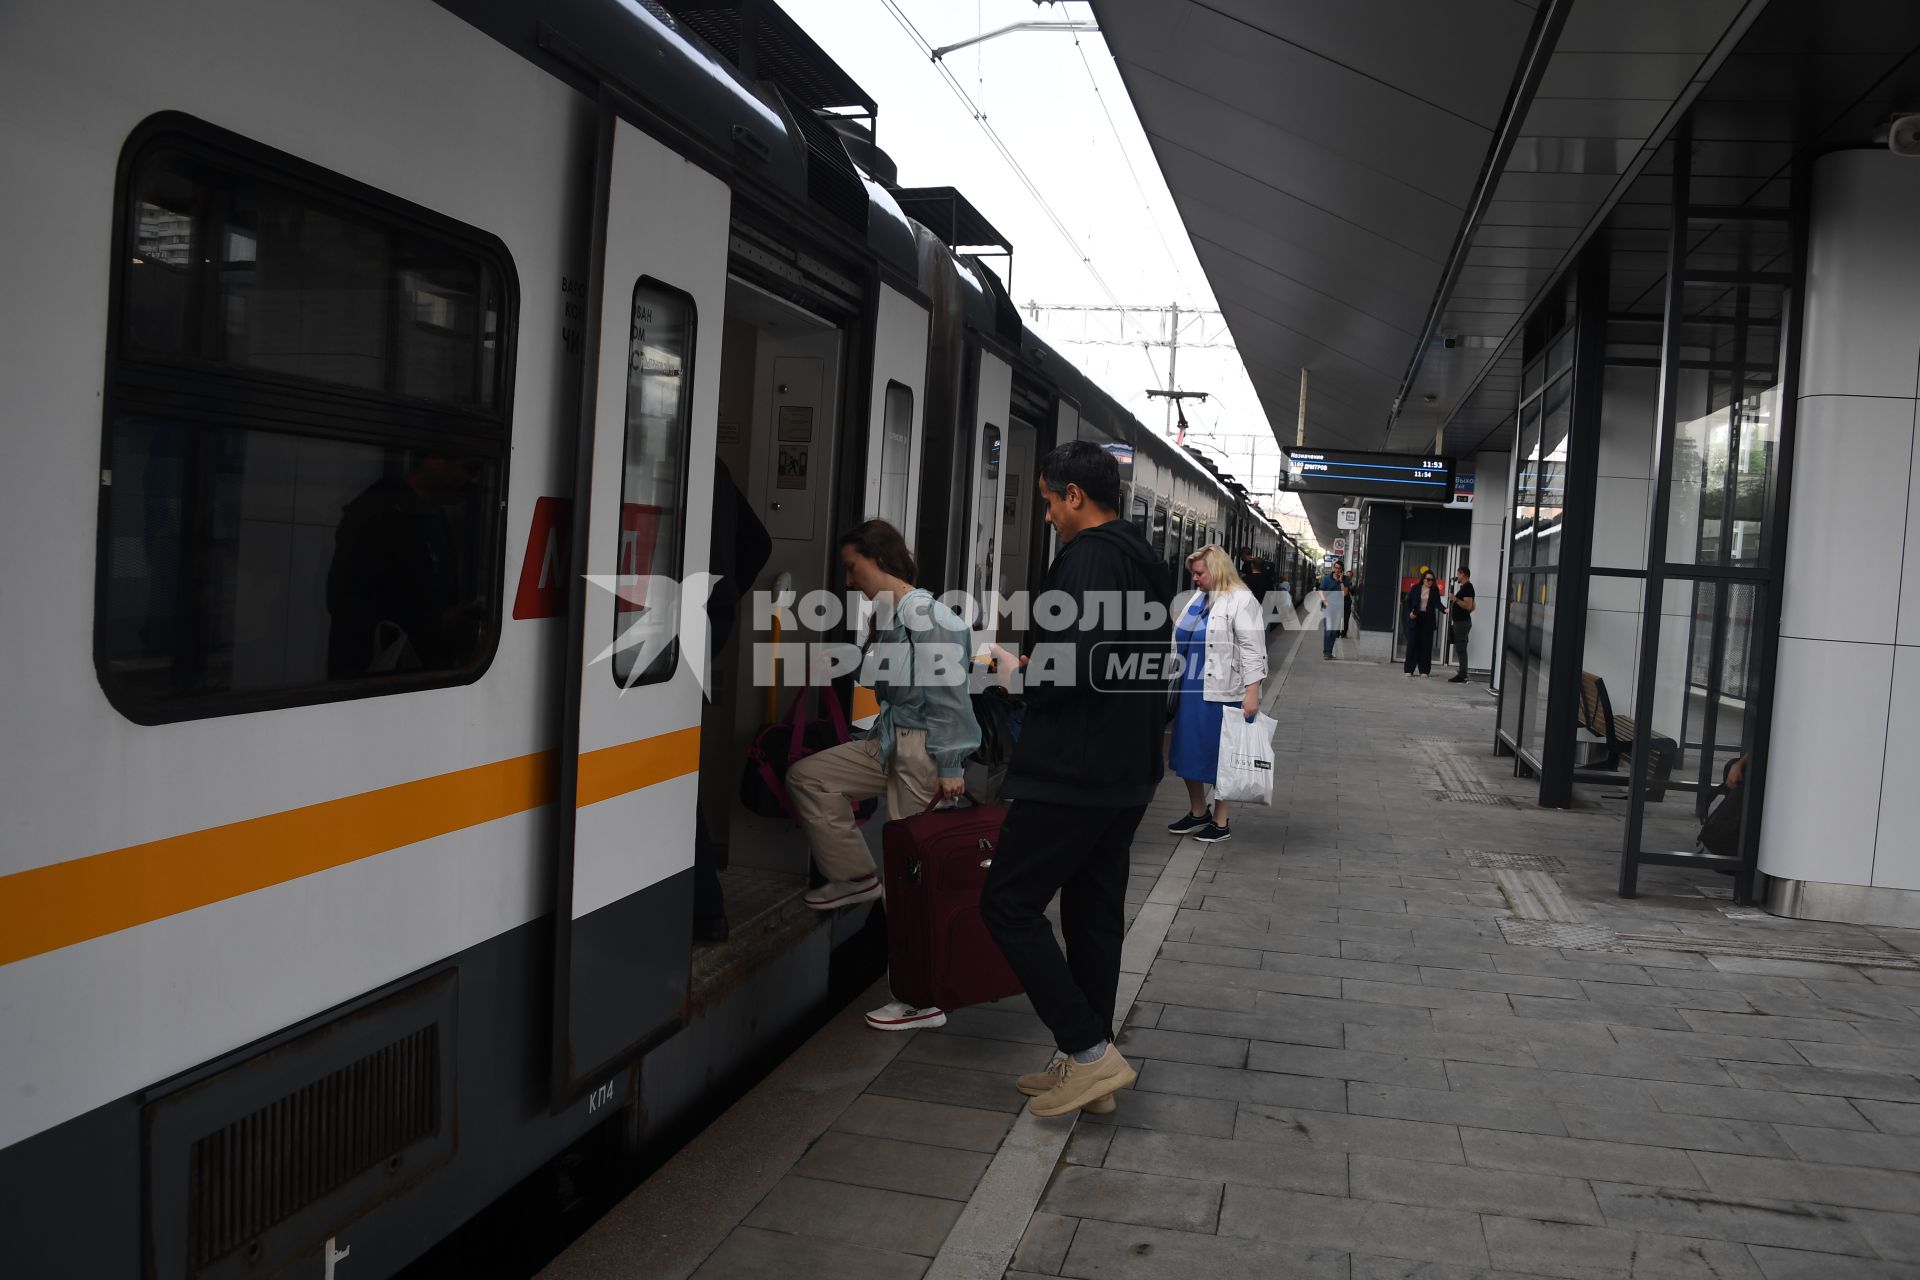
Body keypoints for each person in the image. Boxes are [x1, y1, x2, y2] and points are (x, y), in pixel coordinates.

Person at [982, 440, 1171, 1118]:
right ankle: (1085, 1070)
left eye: (1046, 502)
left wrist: (1016, 674)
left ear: (1074, 497)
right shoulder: (1140, 558)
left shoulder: (1090, 557)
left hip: (1075, 771)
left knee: (1005, 903)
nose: (1047, 517)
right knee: (1093, 918)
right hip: (1124, 770)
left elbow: (1080, 665)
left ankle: (1090, 1052)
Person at [788, 520, 979, 924]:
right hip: (890, 739)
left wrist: (950, 765)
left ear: (877, 559)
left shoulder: (928, 615)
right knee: (809, 777)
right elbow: (892, 678)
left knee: (911, 878)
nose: (849, 580)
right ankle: (854, 876)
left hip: (922, 751)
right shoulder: (892, 615)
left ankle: (922, 978)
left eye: (852, 567)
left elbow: (949, 695)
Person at [692, 461, 774, 944]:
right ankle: (705, 906)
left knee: (665, 769)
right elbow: (758, 542)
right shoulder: (713, 464)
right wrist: (721, 600)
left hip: (673, 622)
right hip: (705, 621)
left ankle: (705, 906)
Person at [1167, 545, 1268, 843]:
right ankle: (1198, 812)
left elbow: (1253, 651)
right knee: (1188, 752)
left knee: (1222, 757)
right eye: (1193, 573)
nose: (1195, 579)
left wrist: (1253, 692)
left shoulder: (1242, 601)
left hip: (1224, 693)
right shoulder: (1198, 600)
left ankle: (1220, 821)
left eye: (1199, 573)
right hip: (1191, 690)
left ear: (1217, 570)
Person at [1402, 567, 1446, 677]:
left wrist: (1445, 610)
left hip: (1427, 619)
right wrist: (1410, 614)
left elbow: (1438, 604)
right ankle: (1409, 669)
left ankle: (1424, 670)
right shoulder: (1416, 588)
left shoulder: (1435, 590)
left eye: (1432, 580)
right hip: (1416, 617)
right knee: (1412, 644)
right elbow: (1407, 602)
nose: (1430, 581)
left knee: (1426, 645)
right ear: (1423, 579)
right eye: (1428, 579)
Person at [1445, 565, 1476, 683]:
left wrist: (1455, 599)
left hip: (1462, 623)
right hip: (1461, 621)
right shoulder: (1465, 587)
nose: (1457, 576)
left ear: (1463, 574)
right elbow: (1473, 606)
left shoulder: (1468, 587)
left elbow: (1468, 605)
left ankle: (1462, 675)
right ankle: (1462, 673)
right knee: (1460, 646)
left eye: (1458, 574)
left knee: (1461, 647)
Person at [1317, 561, 1349, 659]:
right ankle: (1326, 652)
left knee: (1334, 632)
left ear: (1342, 570)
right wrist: (1324, 601)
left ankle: (1329, 652)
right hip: (1328, 607)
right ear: (1333, 568)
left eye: (1339, 568)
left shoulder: (1345, 579)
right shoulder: (1326, 578)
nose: (1337, 570)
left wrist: (1341, 581)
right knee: (1328, 630)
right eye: (1335, 567)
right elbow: (1320, 590)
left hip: (1338, 608)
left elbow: (1345, 594)